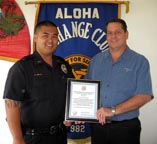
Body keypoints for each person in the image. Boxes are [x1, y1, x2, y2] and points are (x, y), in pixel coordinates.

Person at [3, 20, 74, 144]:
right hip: (33, 138)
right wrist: (17, 138)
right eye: (45, 35)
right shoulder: (22, 67)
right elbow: (11, 103)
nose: (50, 40)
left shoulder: (63, 65)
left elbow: (72, 94)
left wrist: (72, 115)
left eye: (54, 36)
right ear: (35, 38)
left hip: (60, 136)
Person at [84, 18, 153, 144]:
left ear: (126, 34)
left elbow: (144, 96)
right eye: (109, 33)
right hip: (99, 127)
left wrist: (113, 110)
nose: (113, 36)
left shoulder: (139, 62)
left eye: (118, 32)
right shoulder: (95, 61)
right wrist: (80, 113)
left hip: (126, 129)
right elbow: (85, 89)